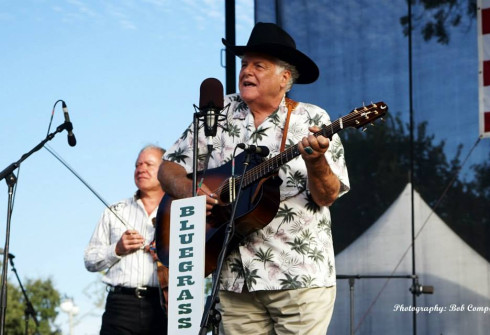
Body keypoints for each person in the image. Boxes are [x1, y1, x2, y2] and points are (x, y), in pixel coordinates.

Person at [158, 22, 350, 335]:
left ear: (285, 78)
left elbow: (327, 196)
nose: (247, 70)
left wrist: (316, 162)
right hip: (234, 279)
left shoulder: (313, 119)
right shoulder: (218, 112)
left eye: (259, 65)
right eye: (244, 64)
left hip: (296, 277)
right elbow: (168, 168)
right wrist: (193, 193)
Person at [84, 145, 168, 335]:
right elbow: (90, 260)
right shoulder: (115, 211)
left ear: (165, 170)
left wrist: (166, 253)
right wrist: (117, 249)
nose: (141, 169)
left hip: (166, 304)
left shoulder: (180, 210)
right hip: (121, 305)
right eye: (137, 165)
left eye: (149, 164)